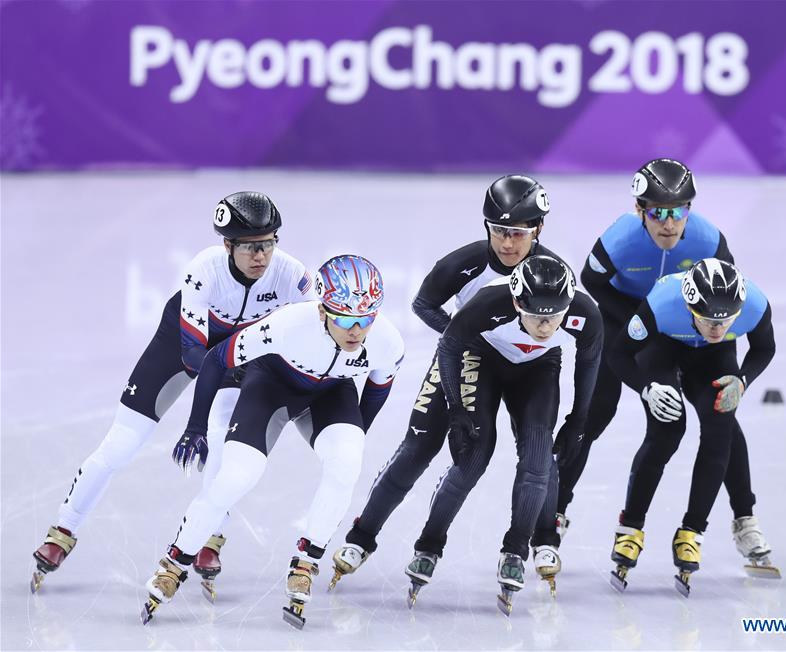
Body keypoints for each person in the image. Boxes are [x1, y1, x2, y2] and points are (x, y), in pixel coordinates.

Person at [31, 192, 313, 593]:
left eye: (268, 244)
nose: (261, 256)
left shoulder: (292, 275)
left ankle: (210, 537)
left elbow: (315, 333)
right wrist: (197, 416)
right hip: (187, 345)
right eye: (250, 247)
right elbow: (196, 355)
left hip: (242, 349)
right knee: (122, 443)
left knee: (223, 444)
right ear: (227, 245)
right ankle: (63, 529)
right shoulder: (204, 270)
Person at [140, 255, 404, 629]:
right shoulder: (286, 325)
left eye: (366, 319)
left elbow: (377, 389)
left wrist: (356, 435)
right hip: (270, 387)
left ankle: (306, 562)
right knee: (237, 476)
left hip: (330, 395)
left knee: (347, 462)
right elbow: (216, 360)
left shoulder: (387, 341)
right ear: (322, 311)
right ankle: (175, 561)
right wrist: (196, 426)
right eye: (345, 320)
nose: (356, 331)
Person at [328, 175, 558, 588]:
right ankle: (362, 536)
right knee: (419, 446)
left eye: (518, 234)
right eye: (498, 231)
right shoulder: (464, 263)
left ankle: (535, 538)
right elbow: (423, 304)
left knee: (538, 451)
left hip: (529, 365)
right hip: (470, 356)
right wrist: (463, 334)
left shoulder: (552, 274)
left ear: (538, 228)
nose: (507, 244)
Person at [547, 158, 774, 573]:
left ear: (690, 209)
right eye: (657, 213)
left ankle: (745, 519)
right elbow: (592, 282)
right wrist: (642, 322)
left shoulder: (709, 240)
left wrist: (740, 378)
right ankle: (555, 511)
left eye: (678, 211)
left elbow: (723, 301)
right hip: (634, 321)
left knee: (722, 416)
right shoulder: (619, 239)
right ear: (640, 210)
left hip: (695, 323)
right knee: (597, 412)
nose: (669, 224)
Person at [403, 255, 602, 615]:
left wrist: (579, 419)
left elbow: (589, 362)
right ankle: (429, 544)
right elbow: (449, 347)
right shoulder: (488, 303)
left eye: (554, 317)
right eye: (537, 316)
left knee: (538, 459)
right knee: (473, 457)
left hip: (539, 369)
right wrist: (456, 409)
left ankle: (515, 550)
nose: (546, 326)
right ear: (516, 303)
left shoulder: (585, 313)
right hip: (485, 360)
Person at [606, 258, 776, 596]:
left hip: (714, 358)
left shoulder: (755, 304)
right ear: (689, 306)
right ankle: (630, 528)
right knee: (667, 428)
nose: (716, 328)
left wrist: (743, 381)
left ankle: (692, 532)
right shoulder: (662, 303)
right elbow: (618, 355)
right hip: (663, 347)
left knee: (720, 425)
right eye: (708, 320)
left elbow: (765, 348)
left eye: (725, 321)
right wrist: (646, 388)